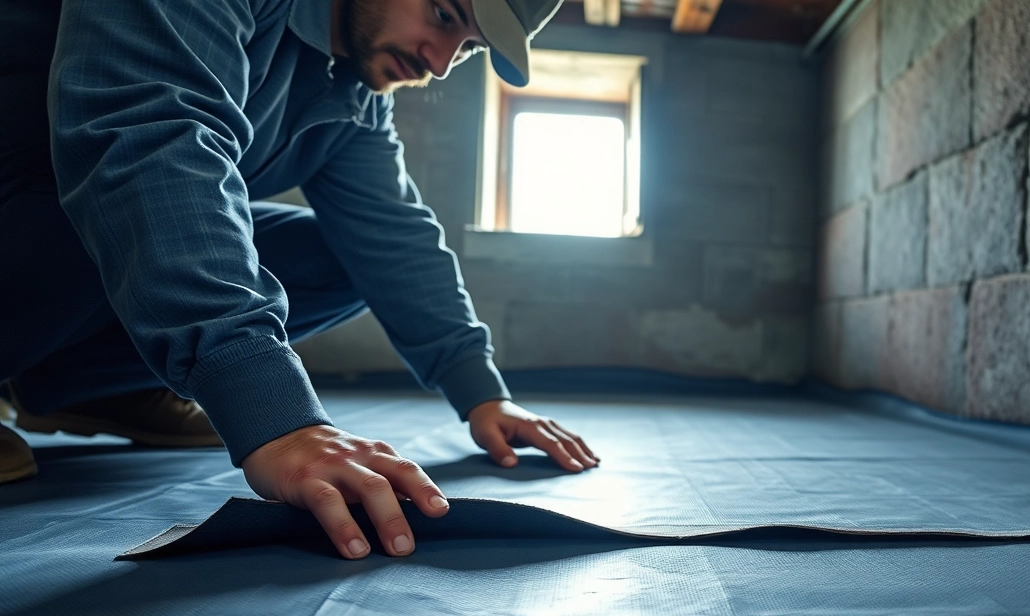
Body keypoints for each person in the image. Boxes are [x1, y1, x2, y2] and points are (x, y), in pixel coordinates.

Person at [0, 0, 599, 559]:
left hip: (47, 243)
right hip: (28, 201)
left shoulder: (350, 88)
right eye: (444, 14)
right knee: (132, 197)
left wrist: (481, 390)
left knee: (342, 257)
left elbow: (392, 236)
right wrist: (277, 419)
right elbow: (149, 135)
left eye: (466, 49)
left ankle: (81, 384)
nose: (439, 63)